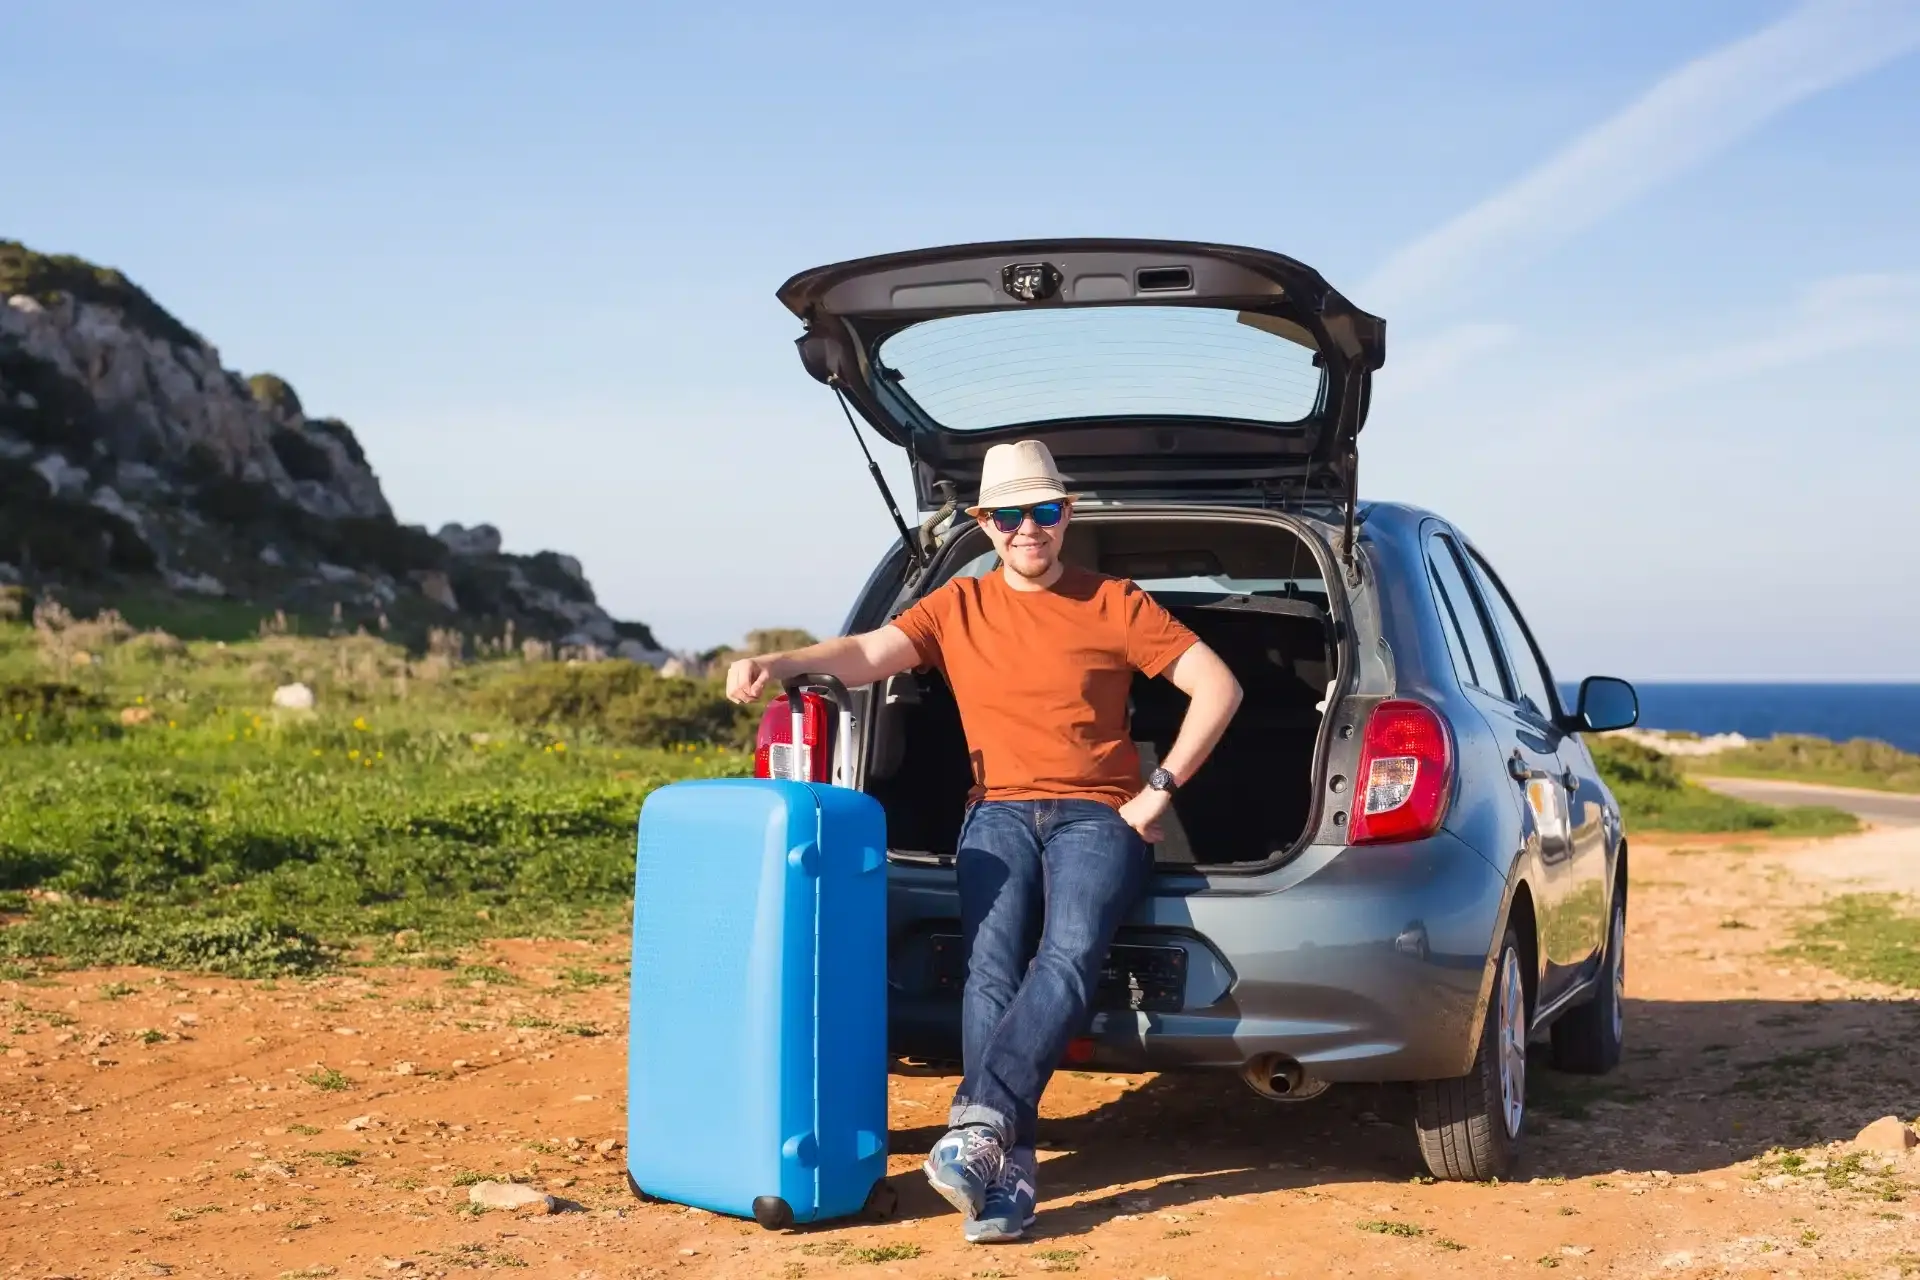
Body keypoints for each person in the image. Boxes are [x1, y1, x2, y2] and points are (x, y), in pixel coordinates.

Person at [726, 439, 1242, 1243]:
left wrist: (1156, 795)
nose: (1027, 529)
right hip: (995, 810)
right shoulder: (956, 607)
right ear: (983, 523)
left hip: (1099, 813)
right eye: (1009, 515)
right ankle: (1008, 1169)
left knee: (1069, 952)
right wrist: (778, 658)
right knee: (989, 972)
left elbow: (1218, 683)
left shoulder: (1114, 601)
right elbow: (865, 654)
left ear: (1065, 515)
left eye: (1043, 511)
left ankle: (978, 1127)